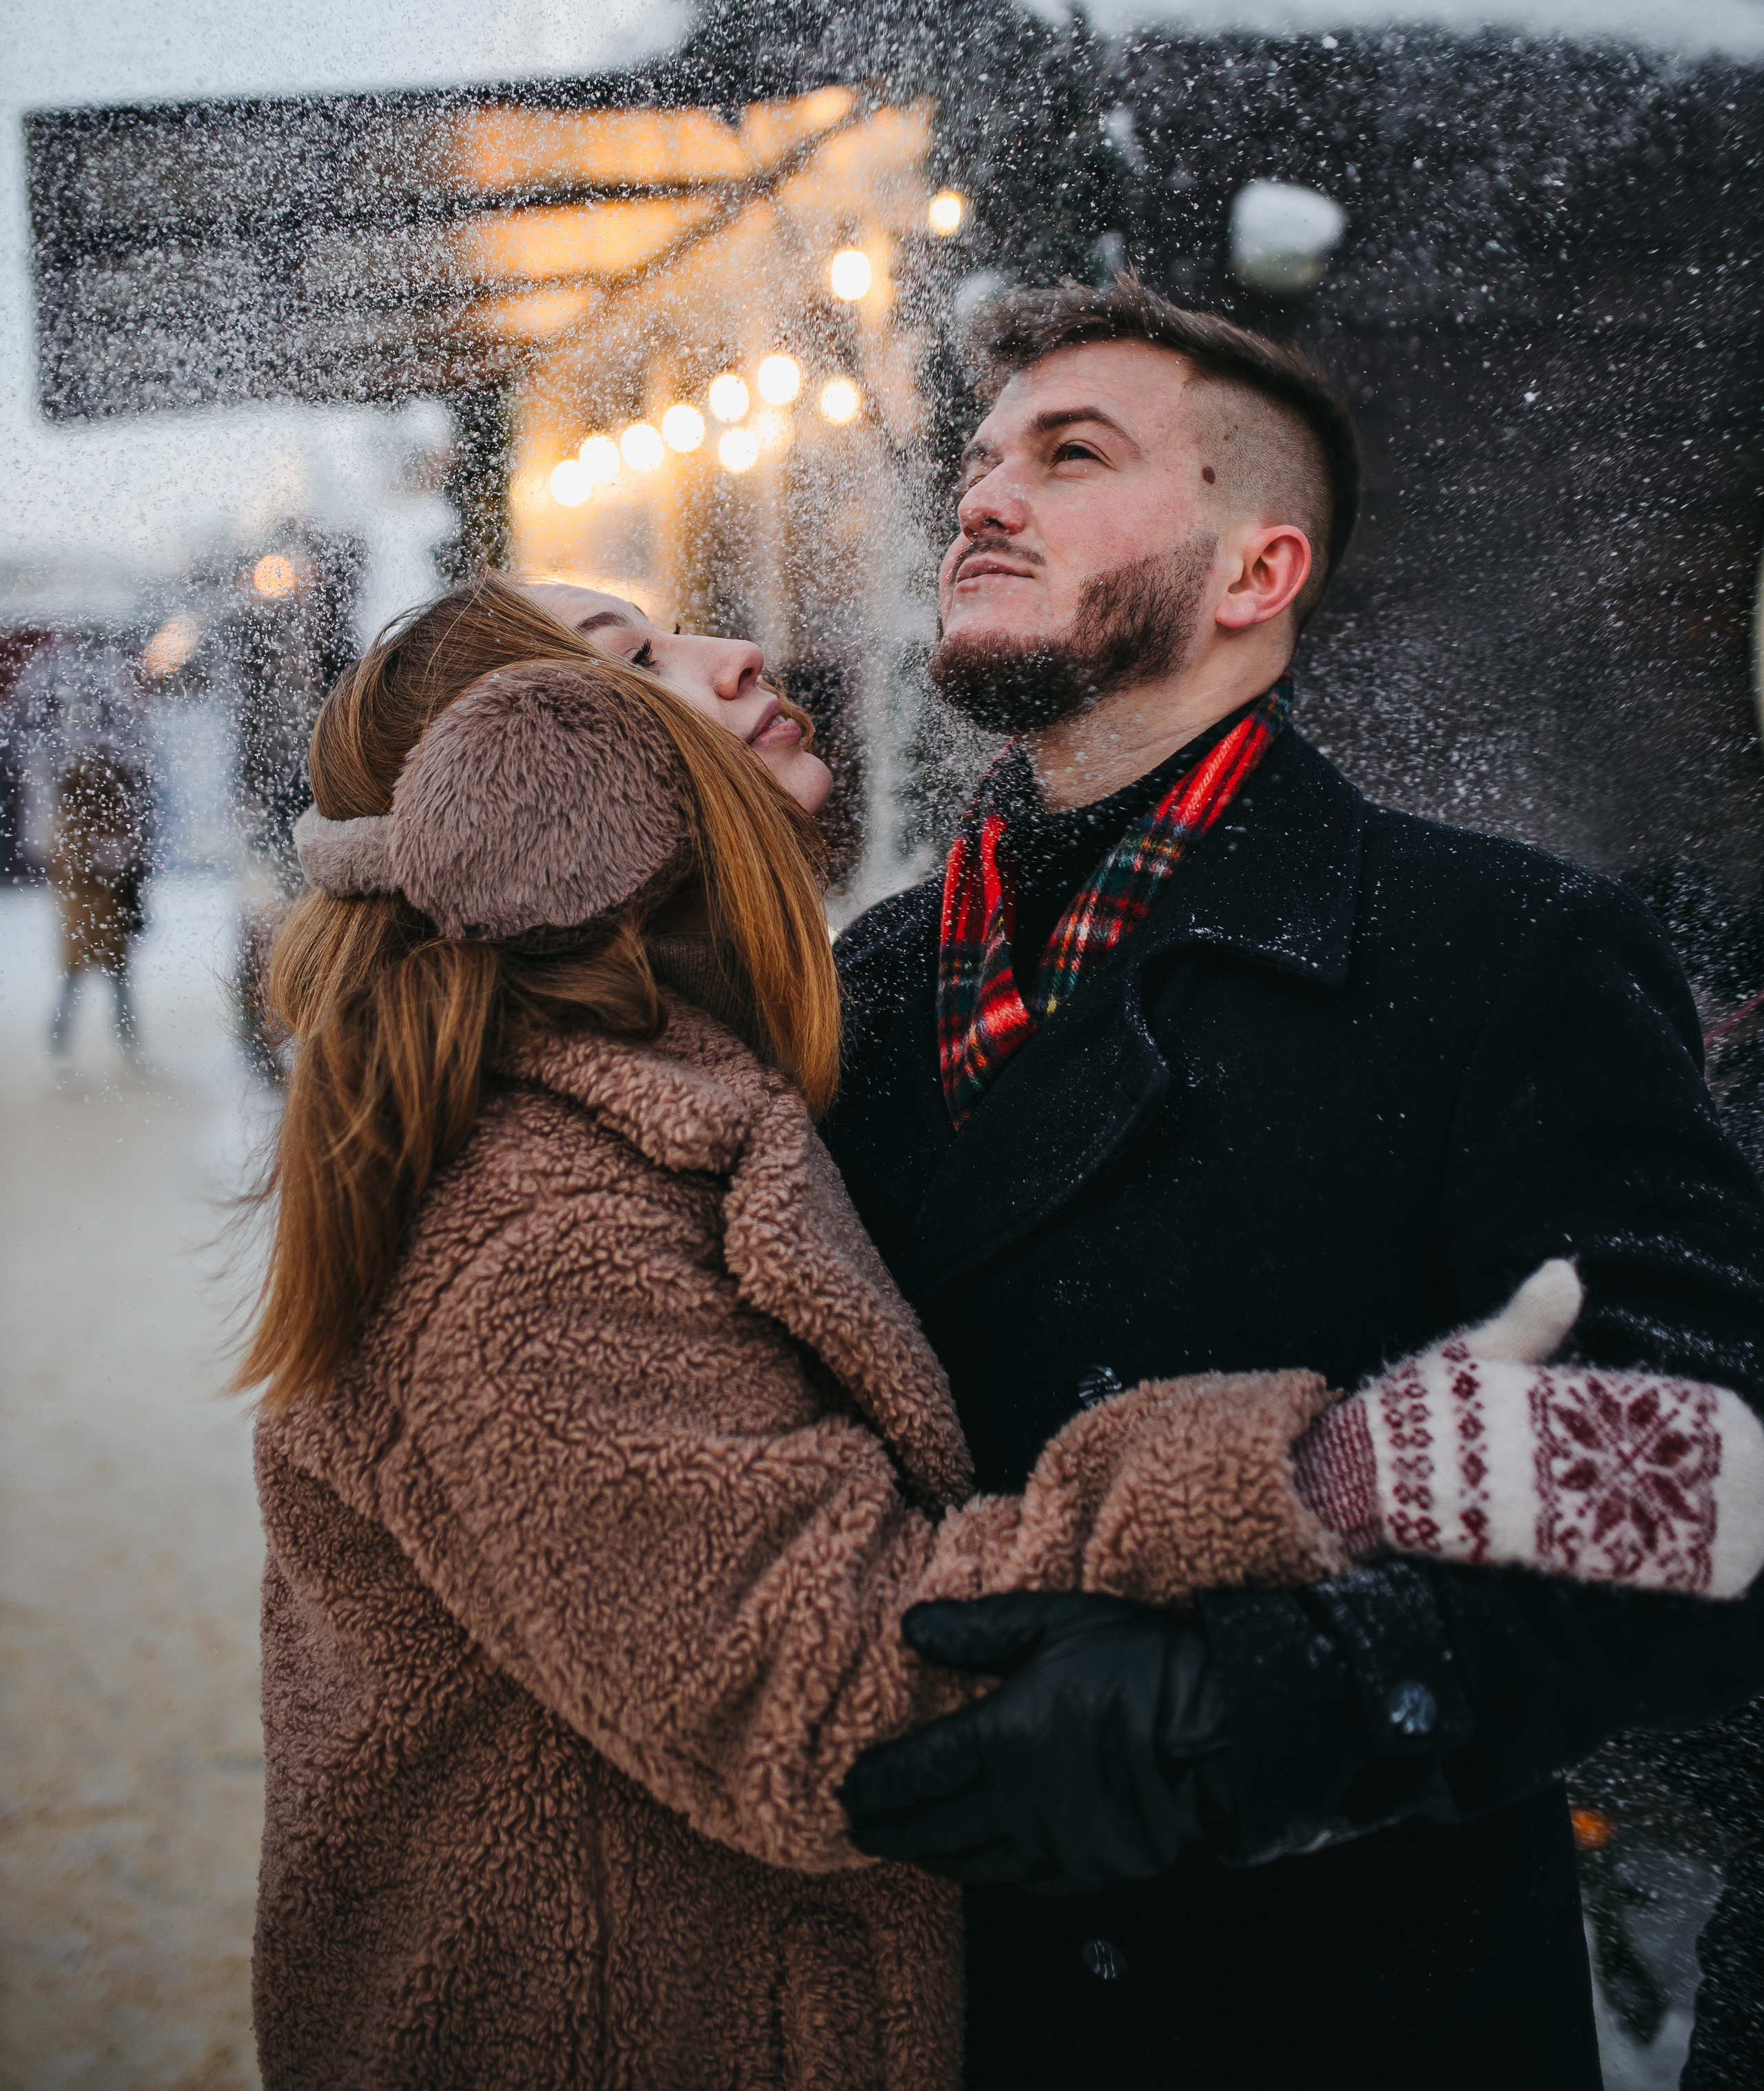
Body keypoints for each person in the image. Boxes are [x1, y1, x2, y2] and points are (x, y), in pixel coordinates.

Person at [243, 572, 1388, 2088]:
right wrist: (1337, 1472)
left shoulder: (671, 1106)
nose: (737, 655)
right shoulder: (525, 1230)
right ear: (519, 790)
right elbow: (829, 1689)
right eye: (636, 659)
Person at [829, 278, 1764, 2091]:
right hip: (931, 2003)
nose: (983, 499)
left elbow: (1706, 1485)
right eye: (981, 462)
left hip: (1341, 2006)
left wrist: (1259, 1708)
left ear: (1256, 573)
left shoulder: (1498, 954)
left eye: (1070, 456)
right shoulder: (865, 988)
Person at [46, 748, 150, 1054]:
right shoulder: (80, 828)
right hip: (93, 920)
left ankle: (117, 1041)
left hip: (98, 920)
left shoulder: (83, 825)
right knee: (90, 984)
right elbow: (77, 869)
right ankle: (66, 1043)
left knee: (100, 984)